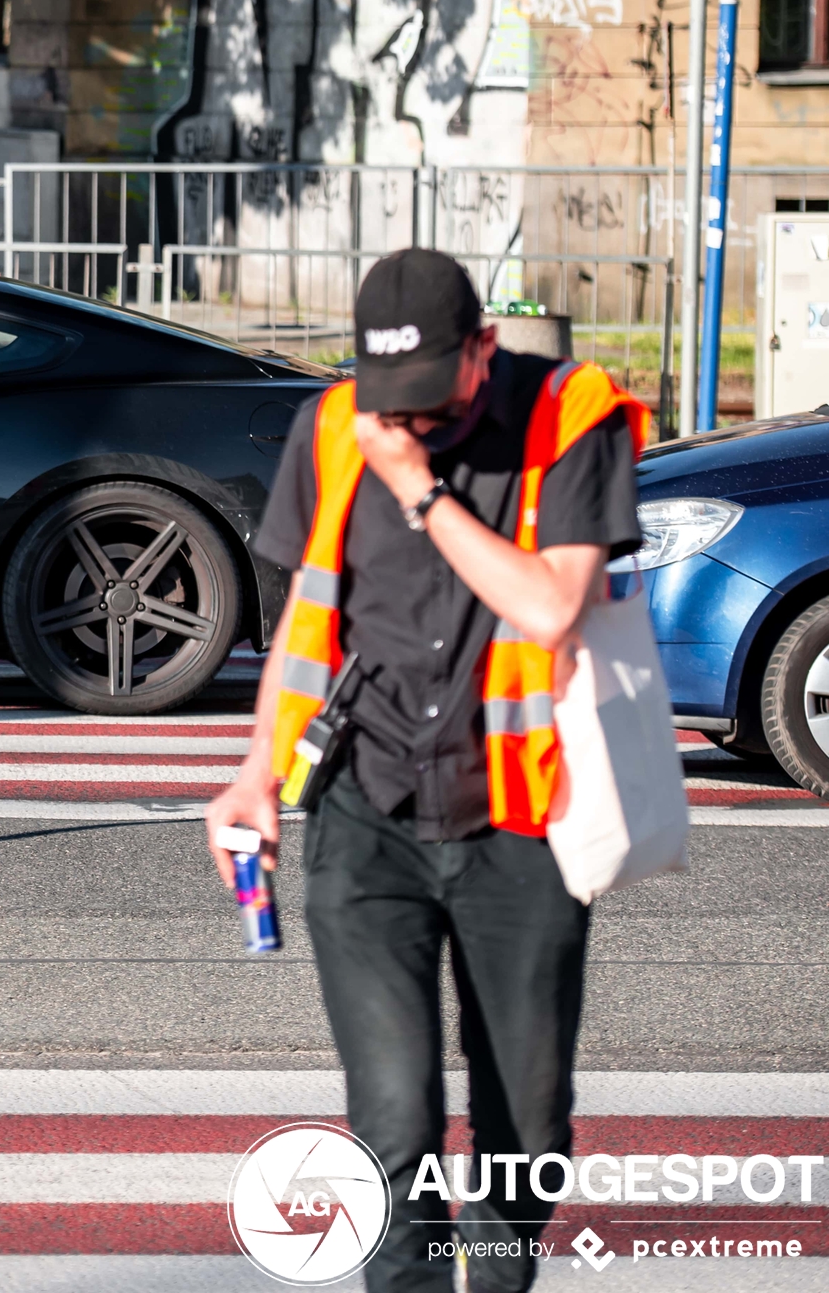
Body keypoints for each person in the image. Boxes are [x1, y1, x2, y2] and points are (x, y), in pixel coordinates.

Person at [204, 248, 647, 1292]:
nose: (398, 422)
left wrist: (418, 493)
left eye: (422, 399)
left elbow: (547, 606)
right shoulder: (332, 426)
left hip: (522, 824)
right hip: (367, 807)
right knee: (390, 1115)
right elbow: (308, 621)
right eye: (382, 396)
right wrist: (255, 774)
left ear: (481, 351)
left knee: (522, 1125)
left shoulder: (572, 415)